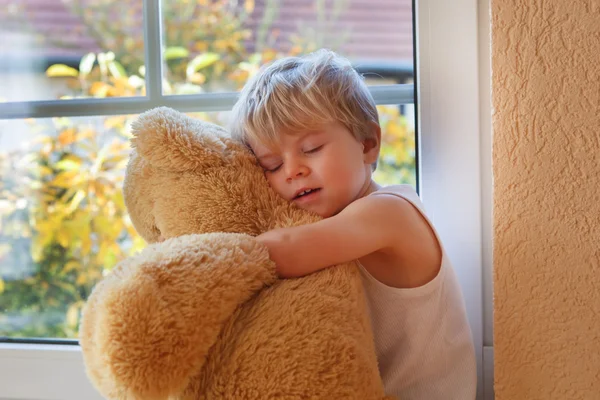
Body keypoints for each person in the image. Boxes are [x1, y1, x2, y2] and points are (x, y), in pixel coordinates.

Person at [228, 49, 477, 399]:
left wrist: (213, 253)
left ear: (368, 145)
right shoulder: (335, 220)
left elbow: (286, 251)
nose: (292, 170)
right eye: (271, 164)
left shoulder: (390, 213)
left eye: (311, 148)